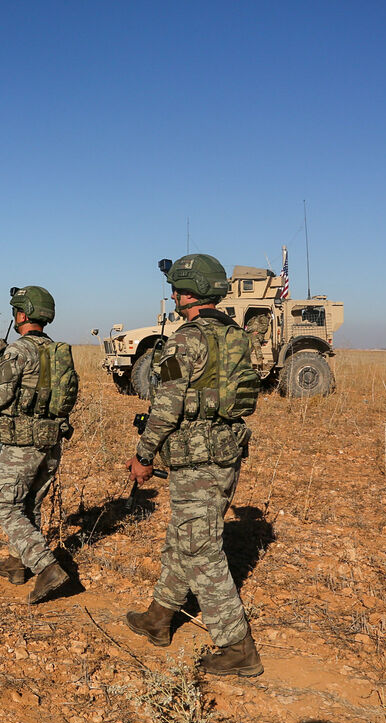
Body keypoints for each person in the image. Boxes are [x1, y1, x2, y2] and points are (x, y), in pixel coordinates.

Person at [124, 254, 264, 676]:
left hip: (196, 457)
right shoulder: (235, 336)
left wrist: (144, 455)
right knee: (183, 536)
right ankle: (159, 617)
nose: (173, 296)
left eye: (176, 289)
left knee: (200, 548)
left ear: (188, 293)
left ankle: (237, 646)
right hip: (226, 451)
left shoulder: (184, 341)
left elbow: (166, 408)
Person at [0, 286, 78, 604]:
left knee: (7, 505)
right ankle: (19, 563)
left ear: (21, 315)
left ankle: (46, 568)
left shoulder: (18, 351)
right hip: (51, 441)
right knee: (30, 503)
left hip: (23, 443)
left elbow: (1, 394)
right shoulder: (58, 351)